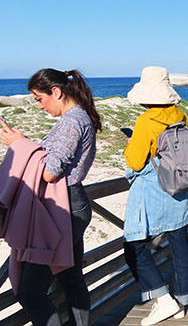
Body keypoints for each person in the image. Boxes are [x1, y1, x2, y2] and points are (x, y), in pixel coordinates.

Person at [0, 68, 101, 325]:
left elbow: (49, 173)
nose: (38, 106)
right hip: (71, 205)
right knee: (70, 279)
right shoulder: (78, 117)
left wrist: (19, 145)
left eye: (38, 98)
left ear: (55, 92)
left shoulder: (72, 120)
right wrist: (25, 143)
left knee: (30, 292)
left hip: (62, 209)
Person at [122, 66, 188, 325]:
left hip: (155, 190)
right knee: (179, 243)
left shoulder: (145, 121)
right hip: (180, 186)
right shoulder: (181, 115)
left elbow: (135, 161)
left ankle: (163, 299)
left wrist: (131, 144)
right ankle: (183, 301)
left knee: (134, 247)